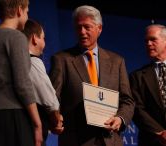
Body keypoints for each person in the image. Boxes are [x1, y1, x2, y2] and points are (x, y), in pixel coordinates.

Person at [49, 5, 135, 146]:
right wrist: (55, 117)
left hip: (110, 140)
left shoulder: (117, 61)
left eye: (87, 27)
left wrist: (120, 118)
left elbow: (127, 100)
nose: (82, 32)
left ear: (99, 28)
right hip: (76, 140)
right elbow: (53, 98)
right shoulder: (61, 59)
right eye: (78, 27)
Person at [0, 0, 43, 146]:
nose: (27, 15)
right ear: (19, 10)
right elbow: (22, 84)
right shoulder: (17, 37)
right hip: (14, 119)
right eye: (27, 11)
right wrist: (37, 123)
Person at [22, 19, 64, 143]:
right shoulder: (33, 61)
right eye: (43, 38)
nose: (44, 43)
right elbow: (50, 101)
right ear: (35, 38)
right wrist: (57, 121)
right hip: (31, 135)